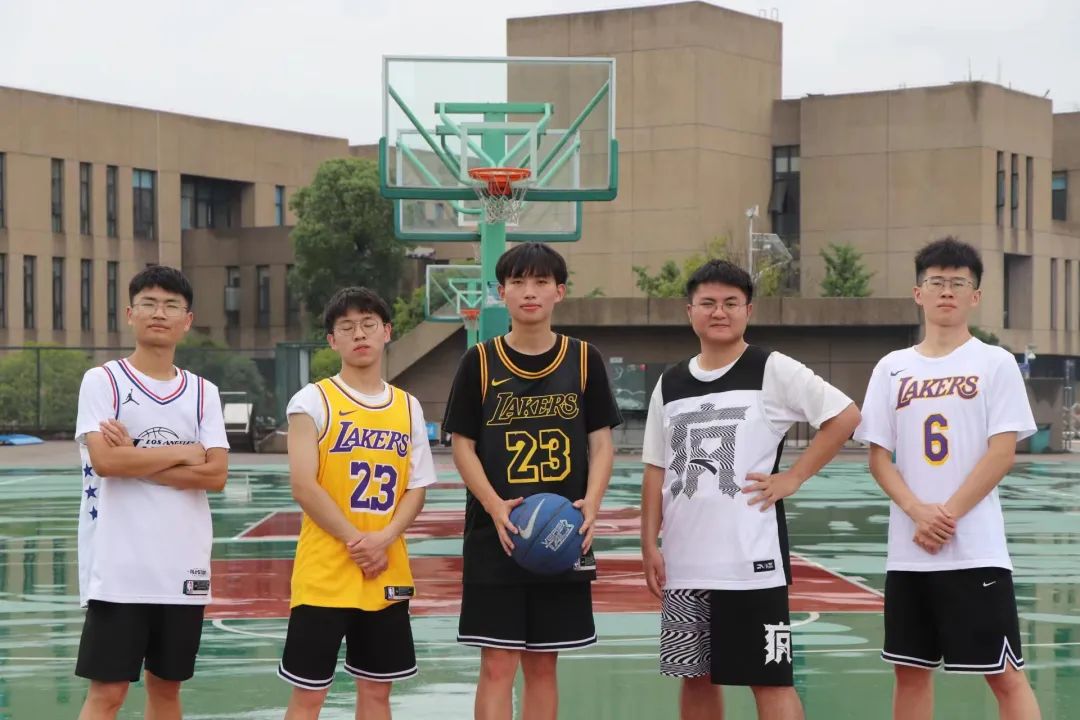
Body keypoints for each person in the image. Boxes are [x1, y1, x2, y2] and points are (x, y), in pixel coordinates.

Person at [640, 259, 860, 720]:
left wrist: (794, 476)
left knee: (770, 680)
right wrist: (648, 544)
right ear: (690, 311)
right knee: (694, 677)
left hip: (751, 562)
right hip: (685, 561)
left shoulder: (771, 368)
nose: (719, 312)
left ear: (748, 310)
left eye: (730, 303)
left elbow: (844, 416)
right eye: (708, 303)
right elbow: (656, 468)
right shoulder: (671, 382)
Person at [854, 237, 1041, 720]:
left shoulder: (994, 362)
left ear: (975, 296)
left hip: (975, 548)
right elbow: (878, 457)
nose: (946, 291)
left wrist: (945, 516)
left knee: (1005, 674)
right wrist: (917, 512)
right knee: (910, 672)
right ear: (918, 293)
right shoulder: (891, 368)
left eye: (958, 283)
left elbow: (1002, 452)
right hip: (909, 553)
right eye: (936, 282)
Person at [443, 242, 622, 720]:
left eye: (541, 282)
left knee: (544, 665)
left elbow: (601, 443)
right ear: (501, 292)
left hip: (561, 531)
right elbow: (462, 446)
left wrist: (592, 504)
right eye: (518, 282)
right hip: (496, 534)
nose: (529, 292)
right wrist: (495, 505)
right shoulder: (479, 362)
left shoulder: (583, 359)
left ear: (559, 292)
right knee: (497, 665)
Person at [74, 265, 230, 720]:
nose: (159, 313)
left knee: (166, 690)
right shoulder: (103, 381)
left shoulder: (203, 393)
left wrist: (136, 457)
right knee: (108, 694)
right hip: (119, 568)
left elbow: (216, 474)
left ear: (187, 319)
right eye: (149, 303)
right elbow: (107, 463)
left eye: (171, 305)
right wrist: (185, 452)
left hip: (183, 567)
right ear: (130, 314)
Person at [278, 287, 437, 720]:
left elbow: (417, 487)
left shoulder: (408, 406)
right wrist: (359, 542)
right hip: (325, 574)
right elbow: (303, 485)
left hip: (386, 572)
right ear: (332, 340)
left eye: (369, 324)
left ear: (387, 331)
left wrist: (383, 539)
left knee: (377, 694)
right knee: (309, 696)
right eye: (347, 327)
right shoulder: (312, 401)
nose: (359, 334)